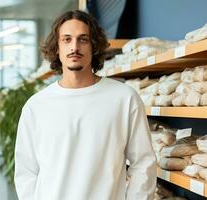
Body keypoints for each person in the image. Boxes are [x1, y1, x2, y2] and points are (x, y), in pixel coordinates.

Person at [14, 10, 156, 200]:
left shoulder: (124, 99)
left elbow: (143, 163)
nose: (74, 47)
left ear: (93, 46)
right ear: (57, 47)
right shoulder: (36, 106)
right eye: (66, 39)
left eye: (83, 39)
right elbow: (26, 172)